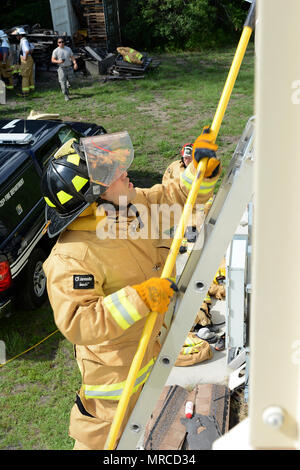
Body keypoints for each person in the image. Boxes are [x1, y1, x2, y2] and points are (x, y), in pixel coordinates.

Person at [41, 130, 221, 450]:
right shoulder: (72, 256)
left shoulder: (127, 207)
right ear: (94, 197)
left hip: (153, 355)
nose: (124, 172)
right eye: (111, 173)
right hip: (116, 384)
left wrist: (198, 171)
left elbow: (173, 197)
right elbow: (81, 322)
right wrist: (142, 297)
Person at [51, 37, 78, 101]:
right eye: (60, 42)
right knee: (62, 83)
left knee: (71, 81)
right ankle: (66, 95)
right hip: (61, 69)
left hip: (69, 67)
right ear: (57, 43)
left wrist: (75, 63)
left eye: (62, 42)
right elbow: (52, 60)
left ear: (64, 42)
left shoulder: (68, 49)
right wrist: (58, 61)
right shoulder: (56, 51)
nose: (61, 43)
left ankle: (67, 86)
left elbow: (72, 57)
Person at [12, 27, 35, 97]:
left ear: (20, 35)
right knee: (30, 75)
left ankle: (25, 92)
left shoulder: (23, 41)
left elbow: (27, 50)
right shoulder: (26, 40)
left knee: (25, 75)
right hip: (29, 59)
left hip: (26, 60)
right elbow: (32, 49)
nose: (16, 37)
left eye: (17, 35)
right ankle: (31, 89)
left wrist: (25, 57)